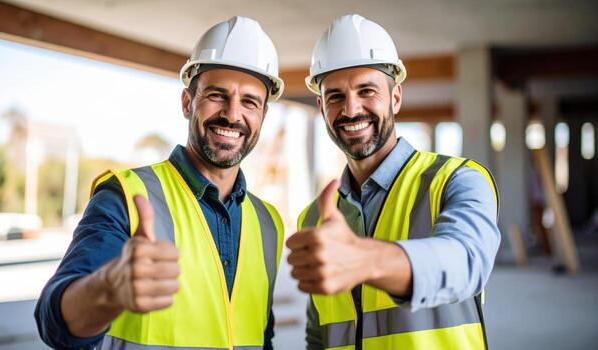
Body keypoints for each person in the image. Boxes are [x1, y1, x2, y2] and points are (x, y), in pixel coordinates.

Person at [35, 16, 285, 349]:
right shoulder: (125, 196)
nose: (232, 114)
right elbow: (55, 323)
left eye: (250, 102)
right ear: (187, 103)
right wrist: (110, 288)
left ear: (263, 115)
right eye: (217, 95)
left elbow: (259, 336)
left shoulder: (268, 222)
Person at [286, 14, 500, 349]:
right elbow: (319, 334)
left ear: (395, 97)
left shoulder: (456, 180)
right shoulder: (313, 218)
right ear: (321, 106)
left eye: (366, 90)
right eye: (335, 96)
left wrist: (365, 259)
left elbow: (467, 262)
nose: (351, 109)